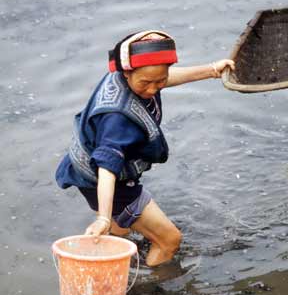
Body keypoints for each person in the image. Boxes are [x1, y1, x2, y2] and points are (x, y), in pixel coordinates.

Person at [56, 30, 235, 267]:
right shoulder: (118, 118)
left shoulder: (123, 76)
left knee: (121, 228)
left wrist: (212, 69)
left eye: (159, 82)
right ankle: (152, 287)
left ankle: (119, 260)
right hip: (104, 178)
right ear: (127, 72)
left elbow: (158, 77)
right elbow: (107, 168)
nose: (153, 89)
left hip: (81, 165)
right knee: (169, 239)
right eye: (146, 83)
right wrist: (102, 218)